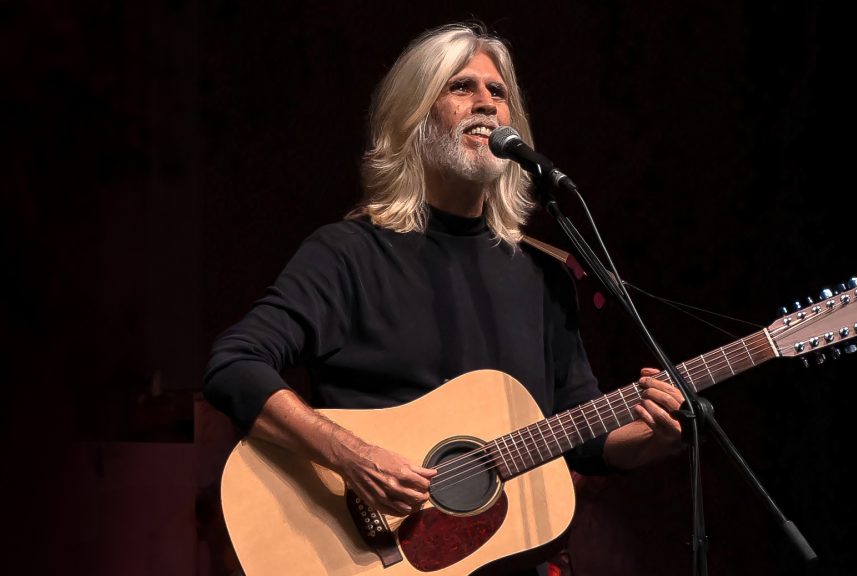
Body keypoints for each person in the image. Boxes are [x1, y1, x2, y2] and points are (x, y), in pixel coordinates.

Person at [204, 22, 685, 576]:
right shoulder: (349, 254)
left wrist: (646, 441)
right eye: (461, 87)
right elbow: (234, 364)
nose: (486, 103)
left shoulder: (542, 274)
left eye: (498, 92)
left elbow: (579, 430)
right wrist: (351, 456)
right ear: (414, 115)